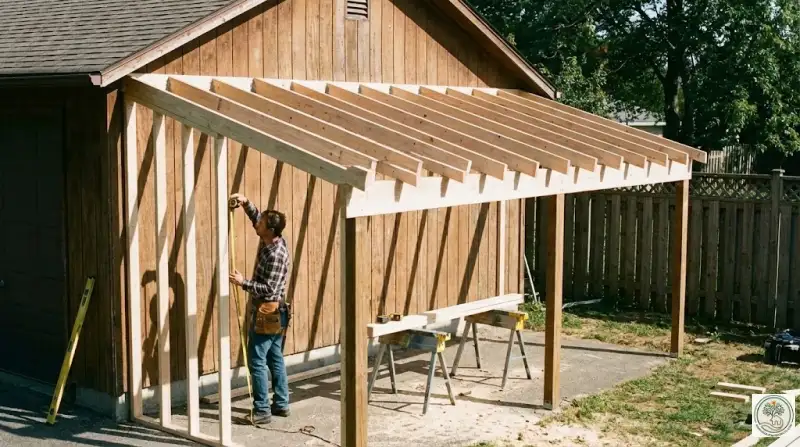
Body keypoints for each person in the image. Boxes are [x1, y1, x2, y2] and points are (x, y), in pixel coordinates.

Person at [228, 193, 291, 426]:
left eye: (262, 223)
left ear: (270, 231)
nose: (258, 223)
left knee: (256, 361)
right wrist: (245, 203)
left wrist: (243, 282)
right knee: (275, 358)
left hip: (268, 311)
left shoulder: (275, 254)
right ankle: (281, 404)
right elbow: (256, 219)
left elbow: (269, 288)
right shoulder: (271, 240)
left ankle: (262, 410)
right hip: (275, 312)